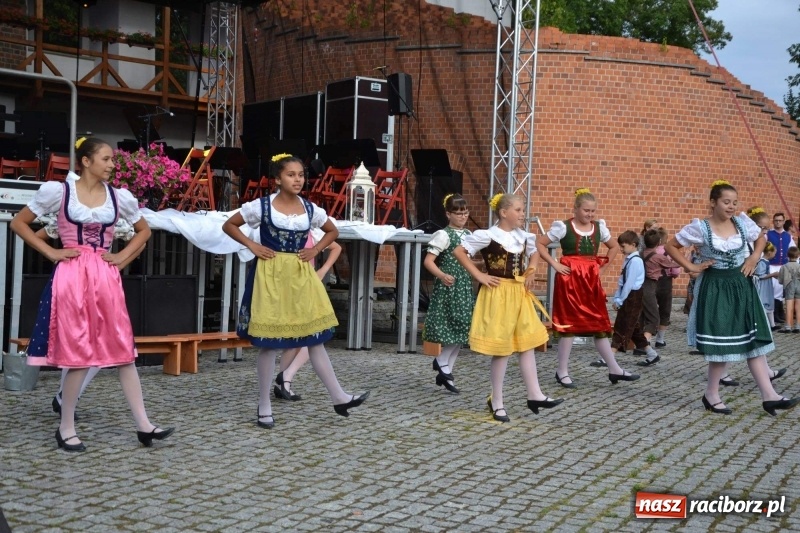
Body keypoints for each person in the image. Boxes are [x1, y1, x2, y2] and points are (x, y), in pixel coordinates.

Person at [10, 136, 174, 451]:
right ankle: (66, 426)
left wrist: (122, 259)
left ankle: (144, 425)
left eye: (112, 159)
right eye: (106, 159)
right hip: (72, 277)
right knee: (79, 353)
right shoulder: (60, 192)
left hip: (105, 277)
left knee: (124, 351)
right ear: (86, 161)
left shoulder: (119, 198)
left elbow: (144, 231)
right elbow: (19, 224)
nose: (112, 165)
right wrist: (52, 252)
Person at [222, 153, 368, 428]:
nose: (298, 179)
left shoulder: (310, 209)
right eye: (291, 174)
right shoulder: (262, 207)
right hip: (271, 275)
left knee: (313, 338)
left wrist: (315, 248)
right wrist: (252, 246)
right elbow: (229, 224)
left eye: (301, 174)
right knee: (269, 343)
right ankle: (264, 404)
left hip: (300, 278)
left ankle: (338, 396)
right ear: (277, 179)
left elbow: (332, 231)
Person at [664, 180, 798, 416]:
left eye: (734, 203)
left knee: (754, 341)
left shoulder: (742, 223)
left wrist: (754, 257)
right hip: (716, 289)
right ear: (713, 202)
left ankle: (770, 396)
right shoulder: (700, 228)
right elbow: (672, 246)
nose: (731, 207)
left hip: (742, 287)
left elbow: (760, 238)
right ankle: (711, 394)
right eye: (726, 202)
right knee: (722, 345)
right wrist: (691, 267)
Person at [453, 193, 563, 422]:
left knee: (527, 344)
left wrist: (531, 271)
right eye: (519, 210)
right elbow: (459, 252)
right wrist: (479, 275)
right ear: (504, 213)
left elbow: (534, 254)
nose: (523, 214)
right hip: (497, 293)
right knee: (502, 350)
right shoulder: (488, 235)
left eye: (523, 210)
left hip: (518, 292)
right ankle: (497, 400)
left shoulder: (524, 237)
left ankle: (534, 394)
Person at [535, 188, 639, 387]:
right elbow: (540, 243)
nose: (589, 214)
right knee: (569, 324)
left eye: (592, 211)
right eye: (586, 210)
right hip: (570, 280)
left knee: (599, 323)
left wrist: (604, 269)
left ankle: (614, 369)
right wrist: (555, 263)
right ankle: (562, 371)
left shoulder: (599, 228)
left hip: (590, 280)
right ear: (575, 209)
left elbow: (614, 246)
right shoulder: (563, 227)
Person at [273, 228, 343, 401]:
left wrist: (323, 270)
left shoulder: (312, 232)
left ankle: (285, 379)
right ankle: (284, 380)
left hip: (306, 287)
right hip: (287, 288)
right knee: (297, 337)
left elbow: (336, 247)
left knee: (311, 334)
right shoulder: (279, 232)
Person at [422, 193, 474, 394]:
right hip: (450, 287)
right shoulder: (444, 235)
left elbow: (469, 261)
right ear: (448, 214)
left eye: (465, 212)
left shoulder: (468, 234)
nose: (463, 216)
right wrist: (442, 275)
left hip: (464, 286)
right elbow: (429, 261)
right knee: (454, 326)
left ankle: (446, 371)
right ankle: (442, 363)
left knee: (463, 329)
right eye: (458, 213)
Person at [609, 231, 653, 362]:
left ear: (633, 245)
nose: (621, 249)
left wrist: (621, 300)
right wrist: (617, 297)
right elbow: (622, 282)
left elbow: (629, 283)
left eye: (623, 246)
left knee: (623, 325)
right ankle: (651, 353)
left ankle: (610, 357)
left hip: (632, 296)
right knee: (634, 327)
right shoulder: (629, 259)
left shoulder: (635, 261)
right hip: (628, 295)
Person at [639, 228, 681, 359]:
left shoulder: (639, 254)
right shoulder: (658, 257)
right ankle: (643, 345)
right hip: (650, 285)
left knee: (642, 316)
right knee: (654, 318)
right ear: (658, 243)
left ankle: (640, 343)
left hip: (638, 286)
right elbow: (674, 265)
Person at [766, 212, 795, 324]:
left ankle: (778, 312)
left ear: (783, 221)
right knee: (772, 289)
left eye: (780, 220)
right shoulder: (768, 234)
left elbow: (792, 250)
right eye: (776, 220)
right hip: (771, 265)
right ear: (773, 221)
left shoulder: (788, 236)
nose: (778, 222)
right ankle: (774, 313)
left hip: (783, 266)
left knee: (781, 289)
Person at [754, 242, 778, 329]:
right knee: (764, 301)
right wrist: (772, 274)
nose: (775, 254)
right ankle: (763, 324)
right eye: (774, 252)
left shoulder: (766, 262)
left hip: (767, 285)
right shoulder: (762, 262)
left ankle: (772, 324)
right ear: (769, 252)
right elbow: (760, 275)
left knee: (769, 302)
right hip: (763, 286)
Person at [777, 246, 800, 333]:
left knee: (789, 307)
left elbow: (780, 280)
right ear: (798, 256)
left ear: (787, 255)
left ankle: (788, 327)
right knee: (798, 307)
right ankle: (798, 326)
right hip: (799, 285)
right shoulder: (799, 266)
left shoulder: (784, 266)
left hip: (789, 285)